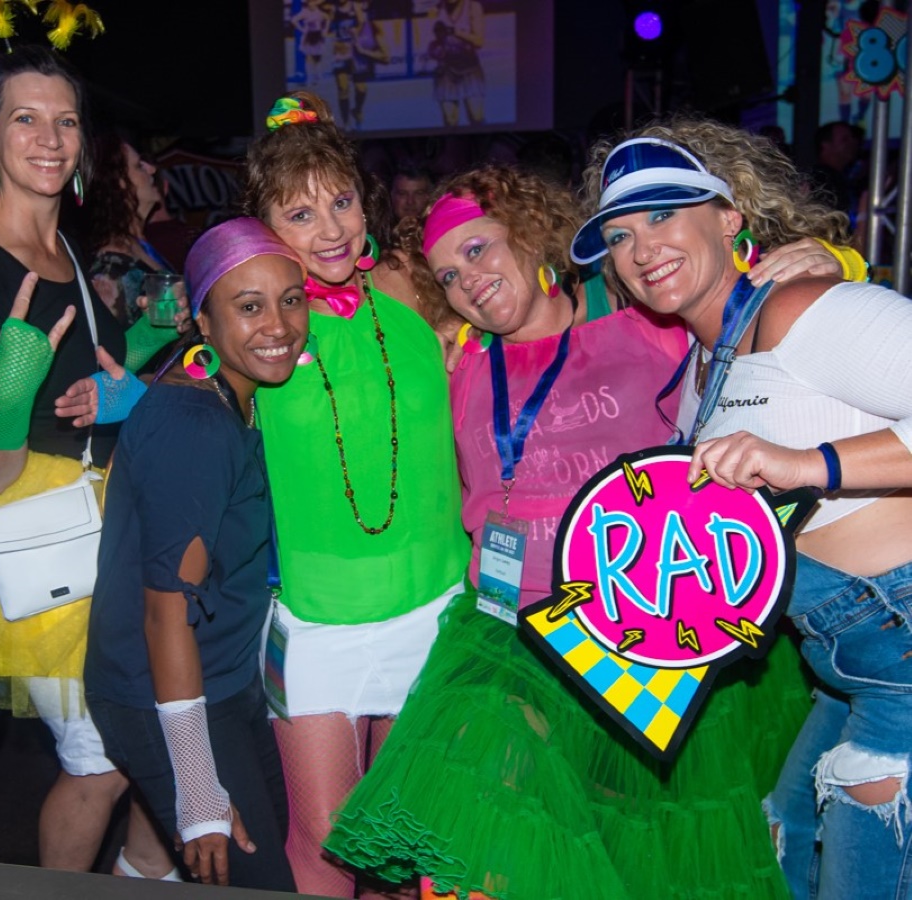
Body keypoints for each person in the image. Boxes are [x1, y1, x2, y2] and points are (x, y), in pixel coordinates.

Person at [324, 158, 849, 897]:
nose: (467, 280)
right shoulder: (459, 360)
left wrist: (837, 260)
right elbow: (338, 295)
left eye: (479, 250)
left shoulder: (647, 323)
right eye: (446, 274)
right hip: (510, 632)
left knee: (642, 858)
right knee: (490, 835)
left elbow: (760, 310)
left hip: (642, 634)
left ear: (530, 232)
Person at [576, 117, 912, 899]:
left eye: (664, 215)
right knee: (779, 845)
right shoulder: (702, 371)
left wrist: (805, 467)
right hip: (845, 670)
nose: (642, 247)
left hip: (901, 650)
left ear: (730, 217)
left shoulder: (800, 308)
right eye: (620, 235)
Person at [0, 45, 172, 878]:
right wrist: (13, 378)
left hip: (100, 518)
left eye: (65, 120)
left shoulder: (62, 246)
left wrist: (120, 391)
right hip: (41, 541)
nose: (51, 137)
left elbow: (84, 398)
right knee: (99, 762)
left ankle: (143, 875)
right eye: (24, 118)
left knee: (138, 744)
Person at [242, 92, 471, 897]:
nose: (331, 228)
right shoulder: (262, 329)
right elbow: (195, 391)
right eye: (299, 214)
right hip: (319, 628)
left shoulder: (419, 296)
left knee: (406, 851)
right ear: (265, 230)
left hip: (433, 611)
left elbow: (537, 304)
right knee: (328, 844)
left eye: (340, 200)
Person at [84, 217, 306, 891]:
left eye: (291, 300)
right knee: (252, 875)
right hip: (164, 693)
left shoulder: (229, 392)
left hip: (224, 680)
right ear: (203, 322)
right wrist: (198, 786)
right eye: (248, 306)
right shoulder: (196, 424)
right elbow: (165, 616)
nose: (278, 326)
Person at [82, 135, 184, 370]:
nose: (151, 169)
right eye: (139, 165)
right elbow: (108, 361)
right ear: (118, 183)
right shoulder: (111, 267)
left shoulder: (139, 244)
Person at [331, 0, 389, 130]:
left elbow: (362, 22)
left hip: (355, 50)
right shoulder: (333, 8)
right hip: (341, 51)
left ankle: (357, 110)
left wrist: (355, 35)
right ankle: (346, 122)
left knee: (361, 88)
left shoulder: (354, 6)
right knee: (343, 87)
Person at [428, 0, 485, 128]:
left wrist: (455, 32)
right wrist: (436, 51)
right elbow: (432, 44)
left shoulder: (473, 7)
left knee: (476, 117)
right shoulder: (435, 9)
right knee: (450, 121)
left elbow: (479, 41)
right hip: (446, 70)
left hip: (470, 68)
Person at [290, 0, 333, 91]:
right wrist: (301, 29)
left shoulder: (319, 12)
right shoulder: (304, 12)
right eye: (310, 2)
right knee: (308, 58)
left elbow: (328, 18)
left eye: (313, 2)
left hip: (317, 36)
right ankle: (309, 78)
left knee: (317, 58)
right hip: (308, 37)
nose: (312, 4)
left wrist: (325, 30)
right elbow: (294, 20)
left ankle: (318, 77)